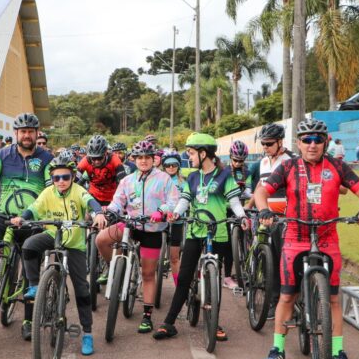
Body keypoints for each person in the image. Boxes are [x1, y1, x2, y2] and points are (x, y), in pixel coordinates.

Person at [254, 118, 359, 359]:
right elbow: (261, 192)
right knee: (287, 295)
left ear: (325, 142)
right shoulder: (287, 167)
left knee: (332, 299)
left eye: (317, 139)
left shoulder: (337, 166)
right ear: (298, 143)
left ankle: (338, 352)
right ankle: (277, 349)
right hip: (295, 237)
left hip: (328, 238)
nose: (312, 144)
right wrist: (264, 211)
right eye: (306, 140)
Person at [153, 133, 247, 342]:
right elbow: (185, 200)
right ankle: (169, 323)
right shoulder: (193, 177)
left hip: (218, 233)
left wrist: (242, 217)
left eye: (192, 153)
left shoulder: (225, 176)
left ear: (204, 154)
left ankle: (214, 322)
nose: (189, 157)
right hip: (196, 231)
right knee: (185, 278)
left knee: (214, 279)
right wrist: (176, 213)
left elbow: (234, 203)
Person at [10, 154, 107, 355]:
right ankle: (36, 286)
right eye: (56, 178)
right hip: (52, 235)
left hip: (74, 243)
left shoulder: (79, 191)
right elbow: (33, 209)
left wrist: (98, 213)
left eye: (65, 177)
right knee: (28, 245)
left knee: (82, 289)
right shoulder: (47, 193)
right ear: (52, 179)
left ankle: (87, 334)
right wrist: (22, 218)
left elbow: (91, 201)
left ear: (72, 177)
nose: (61, 181)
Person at [0, 112, 54, 341]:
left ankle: (28, 320)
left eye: (30, 131)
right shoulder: (3, 155)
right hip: (4, 217)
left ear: (36, 134)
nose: (26, 135)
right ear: (16, 134)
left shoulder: (46, 158)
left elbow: (49, 188)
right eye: (22, 131)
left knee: (30, 271)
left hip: (32, 221)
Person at [95, 140, 179, 334]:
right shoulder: (127, 180)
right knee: (101, 239)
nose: (143, 161)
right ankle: (114, 268)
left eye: (147, 157)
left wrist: (162, 210)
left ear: (153, 159)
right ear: (134, 159)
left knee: (148, 274)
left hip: (153, 229)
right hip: (130, 225)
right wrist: (110, 212)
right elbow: (117, 202)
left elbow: (174, 201)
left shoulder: (164, 179)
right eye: (139, 157)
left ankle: (147, 316)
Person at [246, 123, 294, 318]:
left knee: (282, 261)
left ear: (280, 142)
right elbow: (261, 186)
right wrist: (249, 206)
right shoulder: (264, 162)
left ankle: (283, 300)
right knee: (268, 260)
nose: (265, 147)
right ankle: (271, 298)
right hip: (265, 216)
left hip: (285, 218)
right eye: (263, 144)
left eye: (269, 143)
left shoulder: (290, 160)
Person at [224, 140, 251, 289]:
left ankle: (245, 270)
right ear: (230, 157)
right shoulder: (224, 171)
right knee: (226, 245)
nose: (238, 163)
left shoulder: (247, 172)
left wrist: (246, 191)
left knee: (244, 240)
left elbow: (249, 190)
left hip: (241, 209)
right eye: (235, 160)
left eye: (241, 161)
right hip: (226, 210)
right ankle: (226, 276)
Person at [77, 134, 127, 207]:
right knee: (88, 216)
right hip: (93, 196)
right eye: (93, 158)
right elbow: (73, 178)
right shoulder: (86, 160)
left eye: (100, 158)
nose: (97, 161)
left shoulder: (114, 159)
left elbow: (123, 181)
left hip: (112, 197)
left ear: (105, 153)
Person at [160, 151, 185, 284]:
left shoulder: (183, 182)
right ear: (163, 166)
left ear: (178, 166)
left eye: (174, 164)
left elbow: (186, 201)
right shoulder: (158, 180)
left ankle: (178, 286)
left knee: (174, 257)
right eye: (167, 165)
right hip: (160, 221)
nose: (170, 167)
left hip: (177, 221)